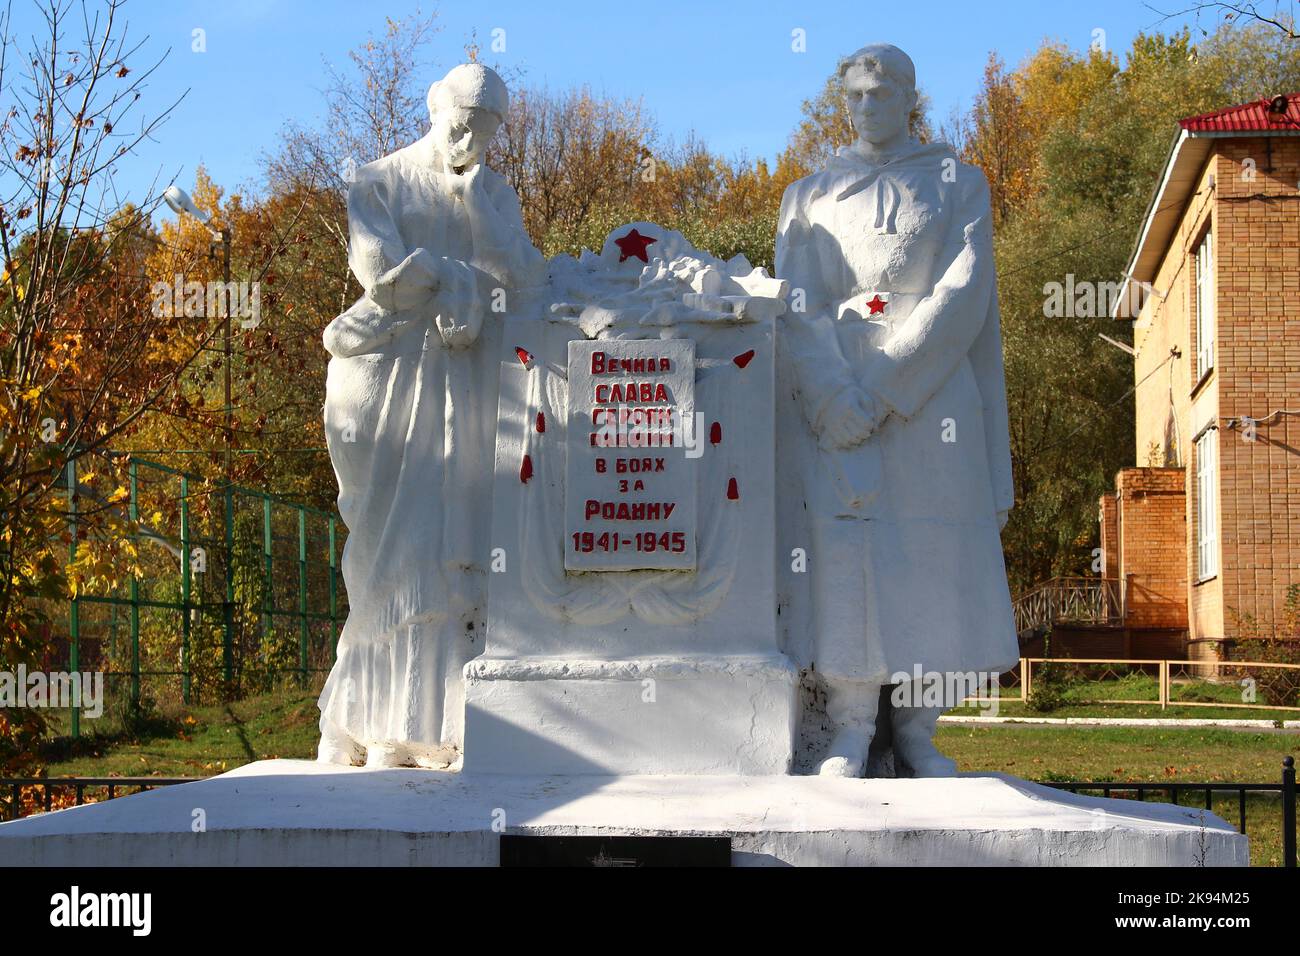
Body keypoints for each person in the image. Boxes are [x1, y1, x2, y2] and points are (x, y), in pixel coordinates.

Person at [775, 44, 1017, 777]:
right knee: (846, 553)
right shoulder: (808, 194)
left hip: (928, 394)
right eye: (854, 96)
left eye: (881, 94)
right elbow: (794, 301)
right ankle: (849, 724)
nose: (866, 108)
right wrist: (830, 394)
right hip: (837, 395)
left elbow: (962, 293)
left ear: (910, 97)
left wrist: (883, 388)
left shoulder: (956, 182)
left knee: (931, 555)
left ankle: (918, 725)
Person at [316, 63, 543, 767]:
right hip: (391, 382)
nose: (472, 138)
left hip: (470, 389)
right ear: (434, 105)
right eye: (463, 121)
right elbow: (379, 268)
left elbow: (527, 281)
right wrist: (450, 276)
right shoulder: (375, 179)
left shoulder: (495, 192)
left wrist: (479, 229)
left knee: (457, 550)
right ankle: (369, 722)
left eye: (488, 129)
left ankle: (439, 723)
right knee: (392, 553)